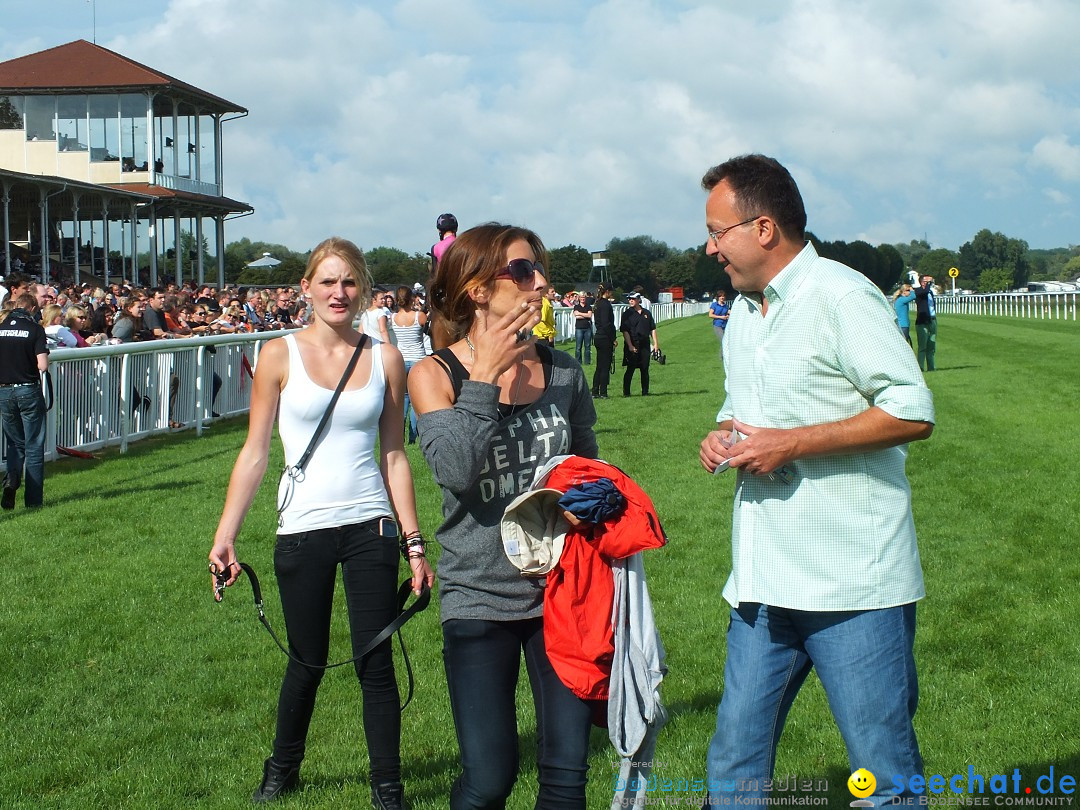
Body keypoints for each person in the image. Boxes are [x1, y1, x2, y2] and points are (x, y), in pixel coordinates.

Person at [696, 154, 935, 807]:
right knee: (733, 766)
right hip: (763, 582)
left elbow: (913, 411)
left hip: (851, 583)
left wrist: (794, 443)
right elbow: (747, 406)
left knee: (883, 778)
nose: (711, 247)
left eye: (718, 231)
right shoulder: (743, 313)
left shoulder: (840, 294)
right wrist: (723, 432)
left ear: (764, 227)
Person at [208, 237, 434, 809]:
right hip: (302, 529)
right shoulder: (278, 356)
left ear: (363, 290)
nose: (339, 292)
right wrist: (225, 536)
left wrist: (413, 543)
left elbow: (394, 457)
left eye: (350, 281)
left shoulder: (385, 358)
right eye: (328, 281)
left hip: (370, 526)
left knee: (374, 661)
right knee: (305, 660)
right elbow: (255, 452)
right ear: (305, 287)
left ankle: (388, 786)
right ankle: (282, 769)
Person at [409, 222, 599, 809]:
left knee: (566, 778)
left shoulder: (562, 370)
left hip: (561, 595)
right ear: (477, 289)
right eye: (522, 270)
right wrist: (485, 378)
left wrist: (590, 501)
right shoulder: (433, 375)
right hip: (478, 598)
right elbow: (457, 471)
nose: (539, 281)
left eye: (538, 268)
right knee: (490, 780)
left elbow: (589, 465)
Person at [0, 293, 49, 510]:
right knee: (34, 446)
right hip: (28, 390)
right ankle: (34, 501)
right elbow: (43, 365)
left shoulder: (1, 328)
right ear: (31, 309)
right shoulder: (35, 329)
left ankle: (11, 480)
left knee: (14, 443)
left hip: (4, 391)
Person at [389, 285, 427, 444]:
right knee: (416, 400)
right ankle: (413, 437)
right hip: (418, 359)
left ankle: (400, 434)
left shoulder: (393, 318)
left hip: (401, 360)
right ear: (412, 298)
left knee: (403, 399)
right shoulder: (420, 316)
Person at [619, 292, 658, 397]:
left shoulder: (647, 313)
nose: (630, 301)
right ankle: (626, 392)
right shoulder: (627, 314)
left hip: (645, 344)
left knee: (645, 368)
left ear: (638, 300)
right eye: (629, 299)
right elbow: (625, 331)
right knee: (630, 369)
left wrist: (656, 344)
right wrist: (630, 345)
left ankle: (645, 391)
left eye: (633, 299)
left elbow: (652, 329)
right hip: (633, 343)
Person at [591, 286, 617, 399]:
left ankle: (595, 391)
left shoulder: (598, 303)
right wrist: (613, 338)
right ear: (607, 291)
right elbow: (606, 323)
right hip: (605, 337)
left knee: (599, 366)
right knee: (605, 366)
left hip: (598, 336)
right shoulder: (605, 305)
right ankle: (603, 392)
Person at [913, 274, 937, 370]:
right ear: (922, 282)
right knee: (922, 346)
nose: (929, 283)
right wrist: (928, 284)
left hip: (932, 319)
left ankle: (931, 367)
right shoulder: (918, 291)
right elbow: (924, 292)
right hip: (922, 321)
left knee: (931, 345)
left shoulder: (930, 292)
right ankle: (921, 367)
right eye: (927, 281)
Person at [573, 289, 593, 365]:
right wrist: (585, 315)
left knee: (587, 346)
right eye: (581, 297)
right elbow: (576, 316)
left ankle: (587, 362)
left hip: (587, 328)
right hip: (579, 328)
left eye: (584, 297)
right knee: (578, 346)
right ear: (579, 298)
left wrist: (580, 314)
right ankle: (578, 362)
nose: (582, 299)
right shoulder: (576, 306)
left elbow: (590, 315)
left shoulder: (589, 306)